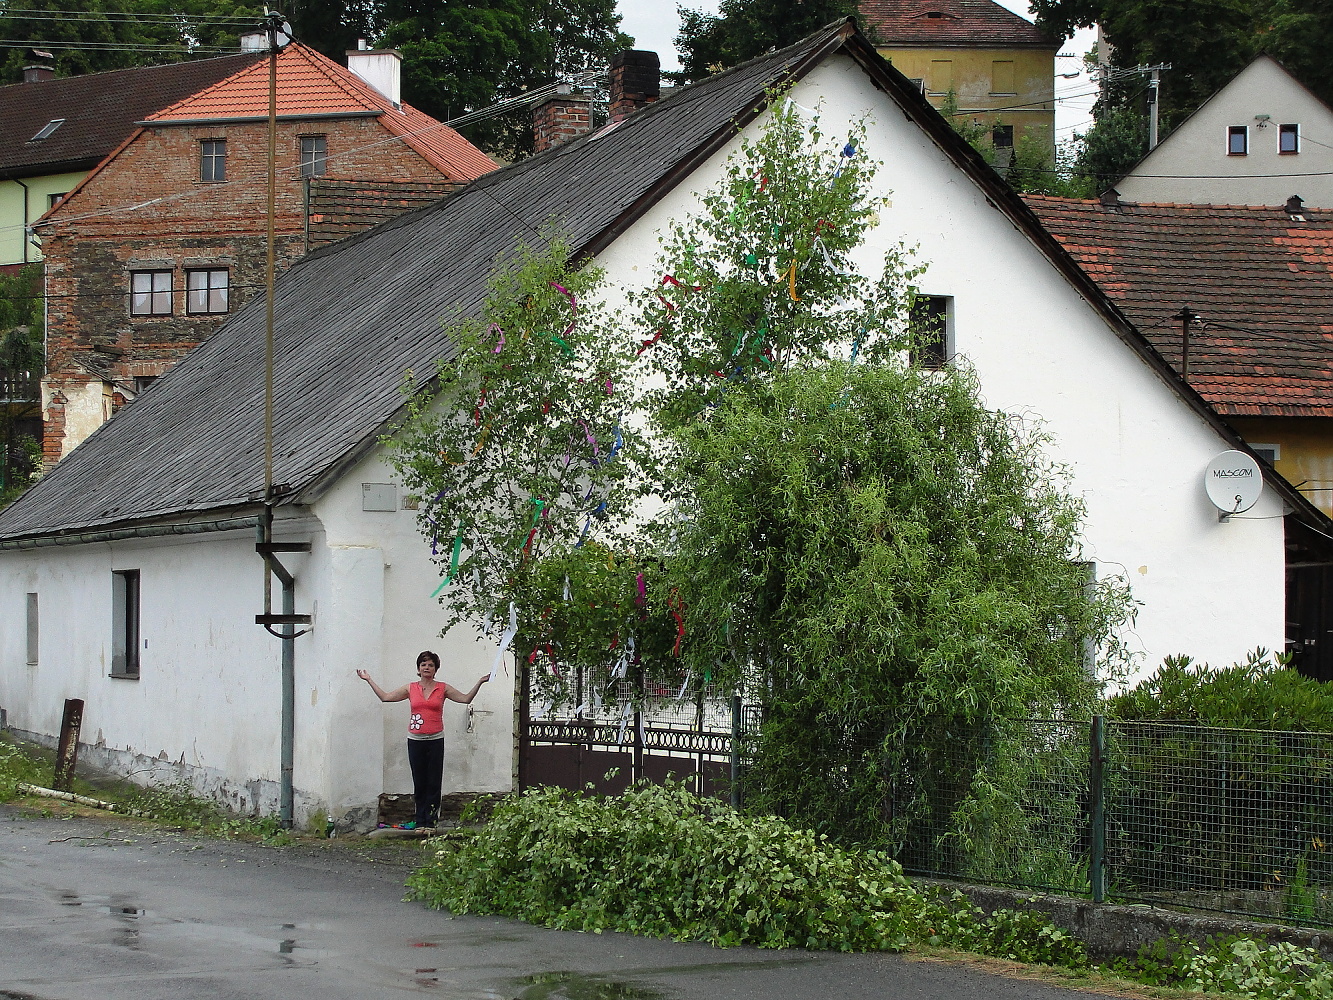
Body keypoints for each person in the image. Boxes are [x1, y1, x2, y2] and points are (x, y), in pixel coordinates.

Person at [356, 651, 489, 829]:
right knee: (419, 782)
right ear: (418, 669)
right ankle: (420, 822)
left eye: (431, 665)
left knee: (434, 782)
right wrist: (369, 679)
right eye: (423, 665)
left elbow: (466, 699)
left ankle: (431, 823)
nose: (427, 668)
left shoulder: (443, 688)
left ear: (435, 669)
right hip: (415, 740)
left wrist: (479, 682)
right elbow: (385, 697)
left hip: (435, 740)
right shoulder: (410, 688)